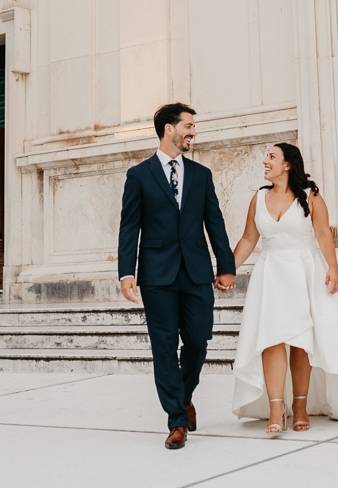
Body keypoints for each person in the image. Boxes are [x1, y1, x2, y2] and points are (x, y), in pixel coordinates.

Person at [231, 142, 338, 436]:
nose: (265, 161)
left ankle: (300, 405)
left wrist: (333, 268)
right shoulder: (258, 198)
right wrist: (227, 269)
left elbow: (323, 233)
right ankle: (277, 408)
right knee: (270, 339)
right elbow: (249, 239)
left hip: (304, 271)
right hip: (270, 273)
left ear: (287, 164)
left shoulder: (311, 197)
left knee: (302, 341)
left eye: (271, 157)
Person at [117, 102, 236, 450]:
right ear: (169, 129)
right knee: (165, 348)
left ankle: (184, 396)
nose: (193, 132)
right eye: (188, 126)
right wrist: (127, 272)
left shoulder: (201, 175)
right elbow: (129, 227)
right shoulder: (138, 176)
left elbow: (214, 222)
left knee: (198, 341)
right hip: (157, 276)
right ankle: (176, 419)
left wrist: (225, 266)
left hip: (196, 272)